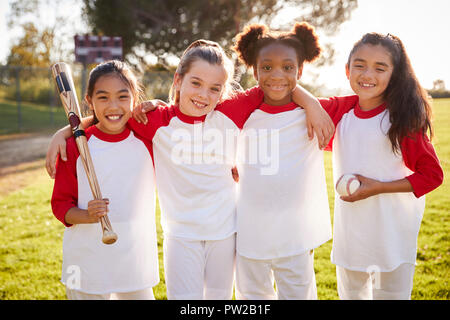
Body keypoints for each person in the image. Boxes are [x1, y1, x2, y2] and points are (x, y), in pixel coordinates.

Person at [47, 40, 332, 300]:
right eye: (195, 83)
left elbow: (276, 82)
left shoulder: (230, 112)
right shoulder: (155, 120)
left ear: (224, 90)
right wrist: (67, 131)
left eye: (214, 88)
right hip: (180, 236)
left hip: (225, 232)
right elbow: (111, 116)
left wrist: (311, 103)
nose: (203, 95)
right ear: (178, 80)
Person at [317, 32, 444, 299]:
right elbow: (298, 103)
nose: (367, 74)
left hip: (393, 235)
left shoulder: (401, 120)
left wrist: (379, 188)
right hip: (351, 235)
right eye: (359, 64)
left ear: (394, 75)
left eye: (380, 68)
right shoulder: (342, 110)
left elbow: (432, 175)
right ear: (347, 69)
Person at [230, 22, 333, 300]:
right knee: (252, 296)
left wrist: (310, 102)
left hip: (295, 233)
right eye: (267, 67)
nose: (277, 75)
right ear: (254, 70)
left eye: (288, 68)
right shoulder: (241, 109)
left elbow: (367, 104)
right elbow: (196, 111)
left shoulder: (318, 112)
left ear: (300, 70)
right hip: (250, 229)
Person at [51, 60, 159, 300]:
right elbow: (60, 206)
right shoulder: (74, 146)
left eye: (122, 97)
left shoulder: (148, 140)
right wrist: (86, 216)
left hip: (134, 257)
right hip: (87, 260)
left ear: (134, 99)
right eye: (103, 97)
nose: (114, 106)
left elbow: (176, 117)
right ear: (89, 102)